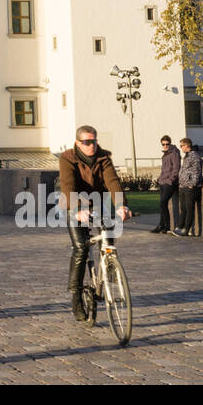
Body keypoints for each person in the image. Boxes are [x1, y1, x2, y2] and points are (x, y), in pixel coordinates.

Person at [58, 126, 131, 321]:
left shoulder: (103, 157)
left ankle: (108, 270)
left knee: (108, 237)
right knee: (81, 248)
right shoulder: (67, 158)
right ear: (77, 143)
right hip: (75, 204)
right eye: (87, 142)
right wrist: (77, 210)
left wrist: (121, 206)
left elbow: (113, 182)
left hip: (99, 203)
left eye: (94, 141)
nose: (91, 145)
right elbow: (68, 185)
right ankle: (76, 297)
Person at [174, 138, 203, 236]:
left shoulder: (195, 156)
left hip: (190, 187)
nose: (181, 147)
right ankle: (179, 227)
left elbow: (197, 171)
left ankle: (186, 229)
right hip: (183, 186)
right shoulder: (186, 156)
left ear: (187, 145)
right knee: (183, 207)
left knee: (189, 208)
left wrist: (192, 184)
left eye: (181, 146)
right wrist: (181, 184)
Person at [152, 135, 180, 234]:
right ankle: (161, 225)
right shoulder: (165, 154)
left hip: (169, 183)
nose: (165, 146)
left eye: (167, 144)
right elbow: (163, 169)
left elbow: (176, 168)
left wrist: (170, 180)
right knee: (162, 205)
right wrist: (160, 179)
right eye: (163, 144)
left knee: (163, 203)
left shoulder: (174, 154)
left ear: (170, 143)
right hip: (162, 182)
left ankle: (166, 226)